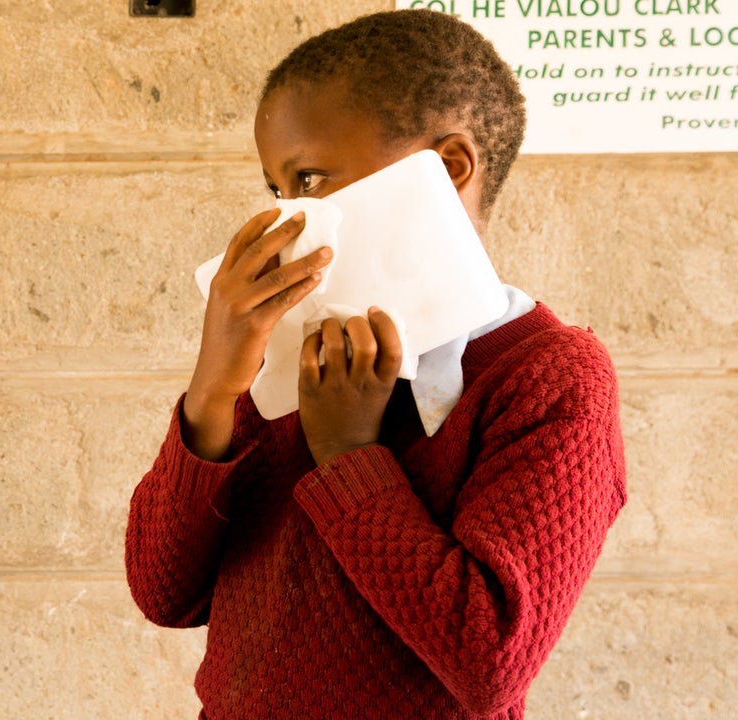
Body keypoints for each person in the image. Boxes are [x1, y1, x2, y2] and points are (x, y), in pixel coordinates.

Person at [124, 9, 627, 719]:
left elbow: (490, 666)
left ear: (449, 168)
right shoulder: (285, 356)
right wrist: (212, 391)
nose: (289, 220)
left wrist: (347, 454)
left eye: (311, 178)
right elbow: (164, 594)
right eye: (277, 190)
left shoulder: (551, 378)